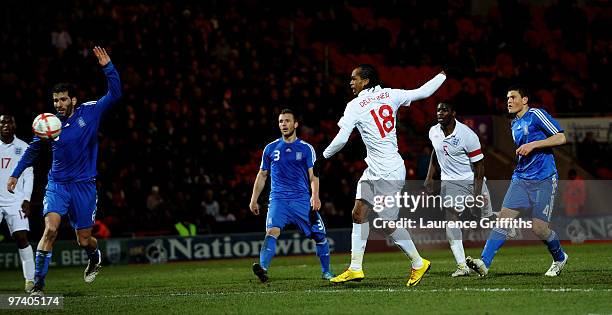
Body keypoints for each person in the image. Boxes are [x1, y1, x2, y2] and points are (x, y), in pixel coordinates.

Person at [314, 64, 446, 286]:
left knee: (387, 223)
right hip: (375, 169)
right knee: (358, 213)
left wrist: (322, 158)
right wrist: (443, 75)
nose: (350, 82)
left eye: (354, 78)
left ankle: (418, 262)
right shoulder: (391, 94)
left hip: (388, 171)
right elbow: (423, 92)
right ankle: (355, 268)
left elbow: (342, 138)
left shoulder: (355, 106)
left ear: (365, 81)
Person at [8, 46, 122, 295]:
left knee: (84, 239)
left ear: (73, 99)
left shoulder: (89, 112)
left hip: (84, 186)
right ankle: (38, 284)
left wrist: (108, 68)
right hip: (57, 185)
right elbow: (32, 151)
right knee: (50, 229)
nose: (58, 104)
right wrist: (15, 174)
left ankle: (94, 255)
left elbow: (115, 94)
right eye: (55, 100)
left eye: (62, 99)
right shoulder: (49, 125)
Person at [466, 85, 568, 277]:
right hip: (521, 178)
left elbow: (561, 137)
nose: (509, 101)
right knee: (504, 219)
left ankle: (560, 257)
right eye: (507, 98)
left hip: (544, 178)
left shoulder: (537, 114)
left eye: (513, 97)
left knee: (539, 229)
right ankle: (484, 263)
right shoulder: (514, 124)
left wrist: (534, 144)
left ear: (525, 100)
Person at [249, 109, 333, 282]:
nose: (283, 124)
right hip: (278, 200)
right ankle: (263, 268)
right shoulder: (271, 148)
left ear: (295, 124)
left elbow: (313, 175)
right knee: (271, 231)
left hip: (301, 199)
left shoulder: (306, 148)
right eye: (281, 121)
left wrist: (315, 196)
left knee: (319, 235)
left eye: (287, 121)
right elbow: (262, 175)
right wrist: (253, 199)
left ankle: (326, 272)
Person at [425, 102, 493, 277]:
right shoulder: (434, 132)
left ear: (453, 113)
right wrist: (430, 177)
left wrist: (476, 199)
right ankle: (462, 266)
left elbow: (479, 168)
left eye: (444, 110)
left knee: (485, 219)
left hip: (472, 181)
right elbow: (435, 152)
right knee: (451, 217)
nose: (440, 112)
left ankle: (505, 222)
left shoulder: (467, 135)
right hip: (450, 183)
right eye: (438, 109)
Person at [0, 114, 35, 292]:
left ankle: (30, 281)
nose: (5, 125)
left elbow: (28, 175)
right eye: (2, 122)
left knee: (21, 237)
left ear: (14, 125)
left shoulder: (23, 147)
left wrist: (26, 198)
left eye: (9, 122)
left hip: (15, 200)